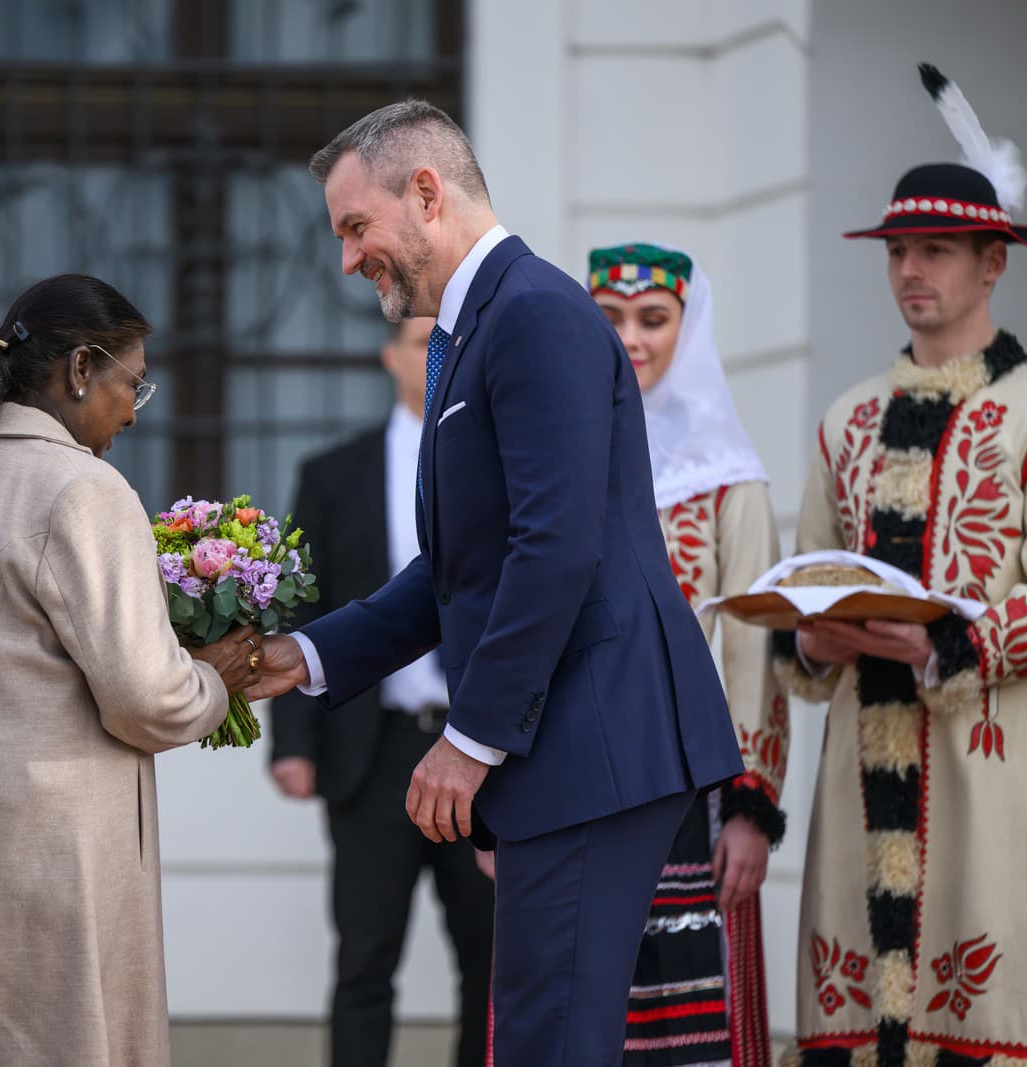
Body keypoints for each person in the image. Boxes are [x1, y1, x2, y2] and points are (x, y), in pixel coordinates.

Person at [248, 99, 744, 1065]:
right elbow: (459, 569)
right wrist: (302, 655)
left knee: (545, 1041)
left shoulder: (534, 315)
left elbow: (554, 548)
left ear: (426, 193)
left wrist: (469, 740)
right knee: (537, 1035)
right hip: (568, 744)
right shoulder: (479, 327)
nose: (347, 259)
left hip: (590, 742)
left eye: (356, 226)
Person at [775, 65, 1027, 1067]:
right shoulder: (846, 419)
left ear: (993, 262)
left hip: (985, 756)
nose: (911, 269)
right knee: (857, 1018)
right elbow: (805, 579)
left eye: (935, 250)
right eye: (898, 249)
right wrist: (809, 641)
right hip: (856, 762)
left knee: (979, 1015)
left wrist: (944, 641)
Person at [0, 274, 263, 1067]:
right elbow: (146, 697)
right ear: (80, 367)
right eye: (132, 384)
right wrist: (214, 677)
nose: (133, 411)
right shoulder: (81, 488)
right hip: (42, 849)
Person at [270, 315, 494, 1067]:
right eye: (422, 343)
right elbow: (302, 605)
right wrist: (293, 742)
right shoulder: (334, 472)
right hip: (372, 753)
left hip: (479, 748)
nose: (436, 357)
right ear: (390, 356)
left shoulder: (497, 462)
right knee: (364, 960)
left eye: (449, 343)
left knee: (491, 957)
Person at [587, 243, 787, 1067]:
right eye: (609, 318)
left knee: (691, 1022)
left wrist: (750, 806)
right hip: (580, 785)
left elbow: (753, 654)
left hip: (693, 793)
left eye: (653, 318)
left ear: (688, 327)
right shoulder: (562, 456)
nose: (631, 338)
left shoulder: (730, 480)